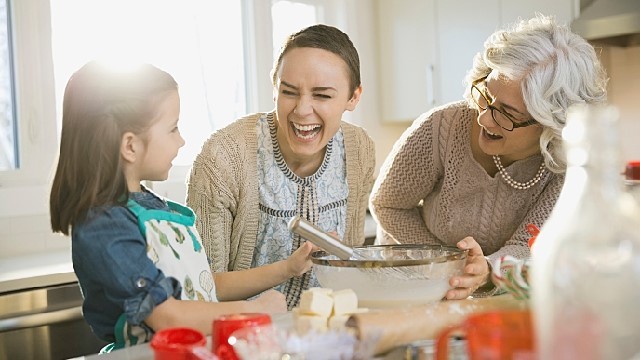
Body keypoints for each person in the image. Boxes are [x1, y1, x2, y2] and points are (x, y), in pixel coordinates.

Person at [49, 61, 315, 349]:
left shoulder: (151, 206)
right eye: (173, 128)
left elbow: (201, 286)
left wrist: (288, 268)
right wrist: (256, 310)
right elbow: (168, 316)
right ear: (130, 146)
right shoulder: (105, 225)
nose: (181, 140)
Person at [369, 14, 607, 300]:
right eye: (486, 95)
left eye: (507, 113)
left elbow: (528, 245)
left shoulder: (564, 164)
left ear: (551, 126)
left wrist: (485, 269)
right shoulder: (441, 127)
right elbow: (388, 204)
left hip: (499, 293)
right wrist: (444, 264)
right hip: (411, 285)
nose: (484, 117)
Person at [187, 24, 376, 309]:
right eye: (289, 92)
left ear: (353, 97)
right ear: (275, 88)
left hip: (326, 332)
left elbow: (349, 267)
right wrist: (288, 267)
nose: (302, 110)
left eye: (322, 95)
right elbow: (201, 287)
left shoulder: (359, 149)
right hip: (244, 335)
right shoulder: (224, 156)